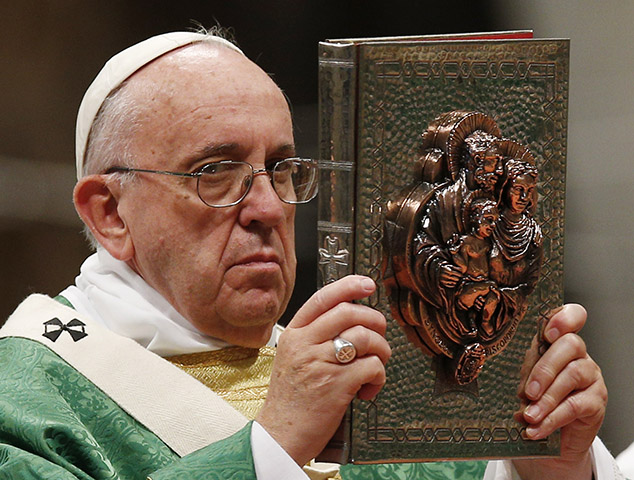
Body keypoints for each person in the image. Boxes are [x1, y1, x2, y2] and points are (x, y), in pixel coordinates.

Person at [0, 29, 617, 480]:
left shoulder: (372, 386)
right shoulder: (25, 397)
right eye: (215, 172)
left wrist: (553, 467)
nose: (268, 207)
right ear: (110, 213)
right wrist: (270, 447)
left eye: (281, 169)